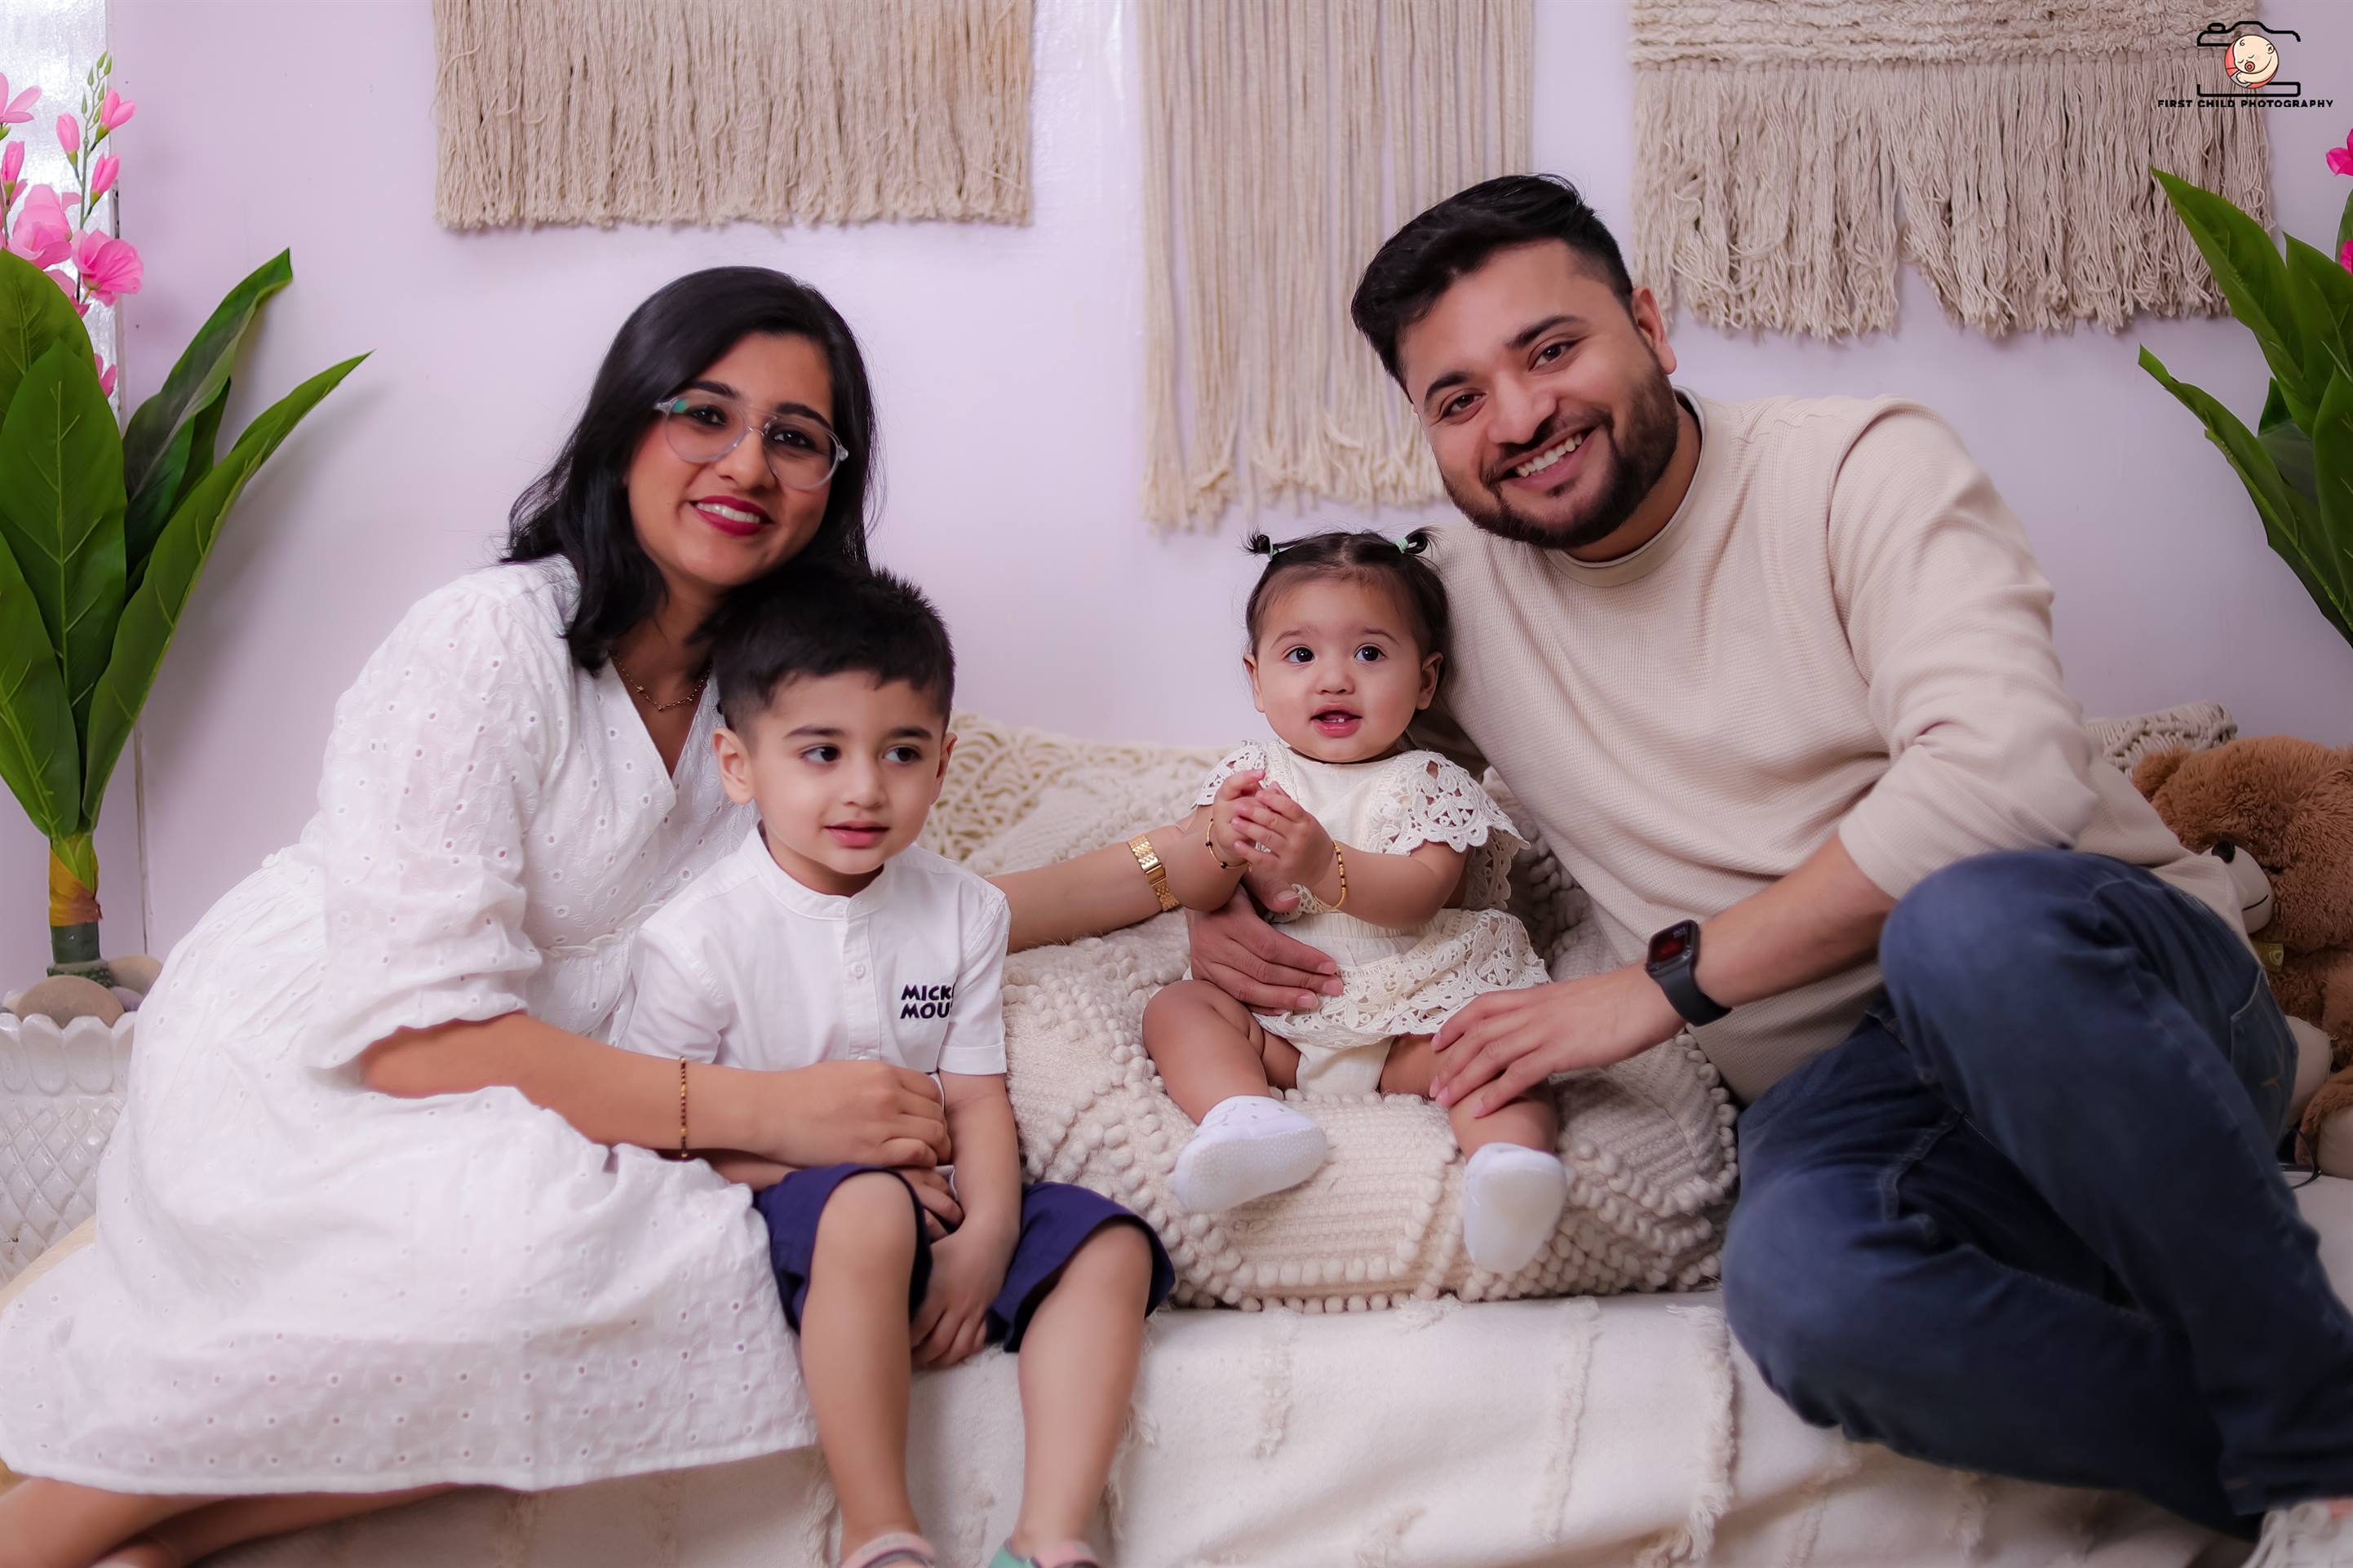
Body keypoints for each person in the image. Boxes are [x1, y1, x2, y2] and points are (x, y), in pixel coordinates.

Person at [1177, 174, 2353, 1560]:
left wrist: (1656, 987)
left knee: (1958, 931)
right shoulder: (1444, 610)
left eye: (1551, 349)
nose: (1519, 416)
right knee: (1810, 1299)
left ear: (1649, 325)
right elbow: (1308, 768)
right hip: (1850, 1089)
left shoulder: (1858, 465)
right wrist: (1216, 903)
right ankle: (2279, 1447)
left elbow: (2006, 774)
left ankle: (2314, 1453)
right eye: (1457, 398)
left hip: (2106, 989)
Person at [0, 268, 970, 1568]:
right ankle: (41, 1527)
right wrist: (771, 1111)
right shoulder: (487, 639)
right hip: (331, 1052)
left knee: (704, 1261)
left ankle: (156, 1538)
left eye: (795, 438)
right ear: (628, 426)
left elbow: (886, 895)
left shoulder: (778, 702)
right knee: (534, 1257)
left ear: (831, 486)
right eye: (705, 413)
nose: (747, 463)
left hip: (549, 1079)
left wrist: (1166, 867)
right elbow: (417, 1038)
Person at [612, 565, 1172, 1568]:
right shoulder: (697, 940)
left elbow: (976, 1096)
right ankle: (879, 1533)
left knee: (1110, 1242)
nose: (865, 788)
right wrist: (839, 1186)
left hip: (942, 1211)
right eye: (821, 752)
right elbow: (661, 1133)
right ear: (738, 764)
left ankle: (1046, 1539)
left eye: (902, 751)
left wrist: (986, 1234)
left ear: (943, 761)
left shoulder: (964, 910)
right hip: (782, 1216)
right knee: (867, 1205)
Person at [1140, 529, 1566, 1274]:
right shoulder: (1250, 775)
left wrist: (1321, 863)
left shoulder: (1430, 781)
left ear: (1426, 681)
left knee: (1493, 1052)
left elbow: (1421, 895)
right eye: (1301, 655)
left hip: (1413, 1013)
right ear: (1256, 679)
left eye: (1370, 653)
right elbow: (1198, 891)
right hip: (1283, 1022)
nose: (1334, 680)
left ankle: (1510, 1168)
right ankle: (1245, 1118)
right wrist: (1220, 851)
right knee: (1176, 1010)